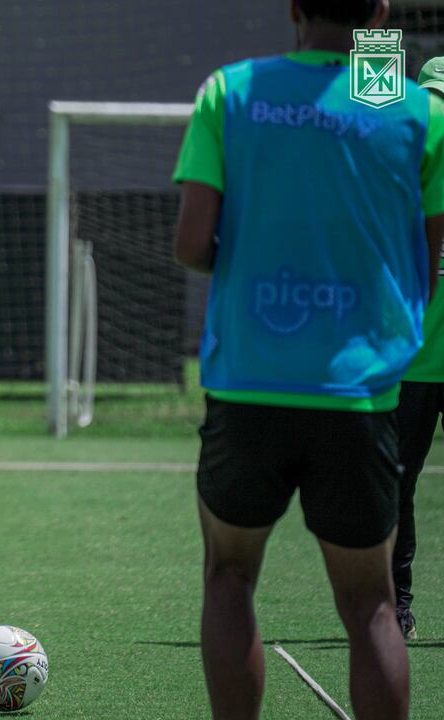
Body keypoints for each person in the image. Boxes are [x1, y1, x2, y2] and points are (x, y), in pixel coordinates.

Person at [172, 0, 444, 718]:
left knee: (229, 579)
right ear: (382, 12)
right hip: (359, 391)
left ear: (292, 7)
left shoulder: (230, 90)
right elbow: (426, 258)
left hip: (249, 385)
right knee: (371, 606)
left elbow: (192, 243)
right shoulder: (418, 111)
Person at [387, 57, 444, 643]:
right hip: (412, 367)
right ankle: (396, 604)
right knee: (397, 485)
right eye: (431, 99)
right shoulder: (400, 181)